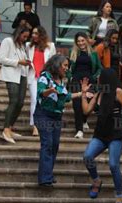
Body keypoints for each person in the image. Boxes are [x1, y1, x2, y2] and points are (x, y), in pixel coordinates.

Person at [81, 68, 122, 203]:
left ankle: (119, 197)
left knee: (113, 164)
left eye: (99, 77)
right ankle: (96, 181)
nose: (97, 80)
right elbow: (86, 111)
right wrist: (84, 93)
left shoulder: (117, 92)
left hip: (116, 133)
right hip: (100, 134)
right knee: (87, 157)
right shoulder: (99, 92)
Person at [34, 55, 84, 187]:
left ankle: (48, 174)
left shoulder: (62, 80)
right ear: (57, 65)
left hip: (56, 116)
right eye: (65, 65)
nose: (67, 68)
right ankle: (45, 178)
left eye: (68, 66)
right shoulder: (46, 76)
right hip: (43, 114)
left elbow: (65, 97)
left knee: (55, 145)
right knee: (48, 143)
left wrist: (81, 94)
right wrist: (48, 91)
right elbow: (40, 91)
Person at [0, 26, 31, 144]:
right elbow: (1, 59)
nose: (25, 39)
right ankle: (5, 130)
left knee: (21, 103)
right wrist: (18, 62)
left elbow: (23, 59)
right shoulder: (8, 41)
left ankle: (10, 127)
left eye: (27, 37)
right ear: (18, 33)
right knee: (14, 100)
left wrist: (27, 62)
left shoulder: (22, 46)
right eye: (24, 36)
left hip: (22, 76)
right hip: (11, 75)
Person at [67, 32, 103, 139]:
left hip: (89, 81)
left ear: (87, 40)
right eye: (78, 41)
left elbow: (99, 68)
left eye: (82, 40)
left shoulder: (93, 54)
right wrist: (70, 77)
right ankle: (79, 130)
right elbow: (66, 67)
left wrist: (95, 76)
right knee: (77, 104)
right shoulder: (72, 52)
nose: (81, 43)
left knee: (88, 102)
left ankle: (83, 120)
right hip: (76, 81)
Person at [26, 26, 57, 137]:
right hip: (33, 77)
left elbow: (54, 63)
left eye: (36, 33)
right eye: (33, 33)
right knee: (35, 100)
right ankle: (34, 126)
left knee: (45, 101)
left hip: (46, 78)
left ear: (41, 35)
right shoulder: (28, 46)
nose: (33, 35)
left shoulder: (51, 46)